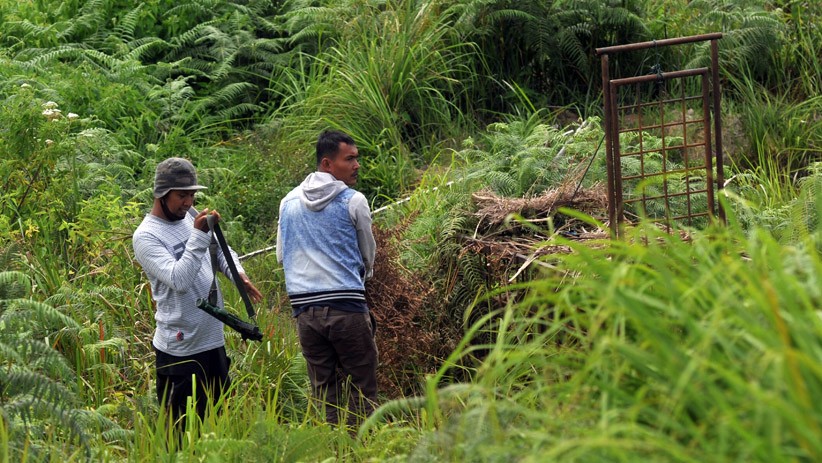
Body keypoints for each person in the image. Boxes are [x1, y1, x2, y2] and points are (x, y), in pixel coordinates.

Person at [132, 157, 262, 434]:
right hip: (180, 349)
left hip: (211, 340)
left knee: (217, 427)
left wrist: (237, 273)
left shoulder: (190, 218)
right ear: (161, 194)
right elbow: (179, 279)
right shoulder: (146, 236)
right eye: (182, 195)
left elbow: (219, 254)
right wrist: (199, 235)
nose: (189, 202)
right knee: (180, 433)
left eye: (192, 194)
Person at [276, 130, 378, 428]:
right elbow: (368, 257)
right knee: (363, 386)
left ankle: (334, 451)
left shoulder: (288, 202)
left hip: (305, 314)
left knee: (324, 393)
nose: (357, 165)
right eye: (350, 159)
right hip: (347, 308)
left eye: (356, 158)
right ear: (327, 163)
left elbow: (282, 256)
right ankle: (361, 450)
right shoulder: (354, 200)